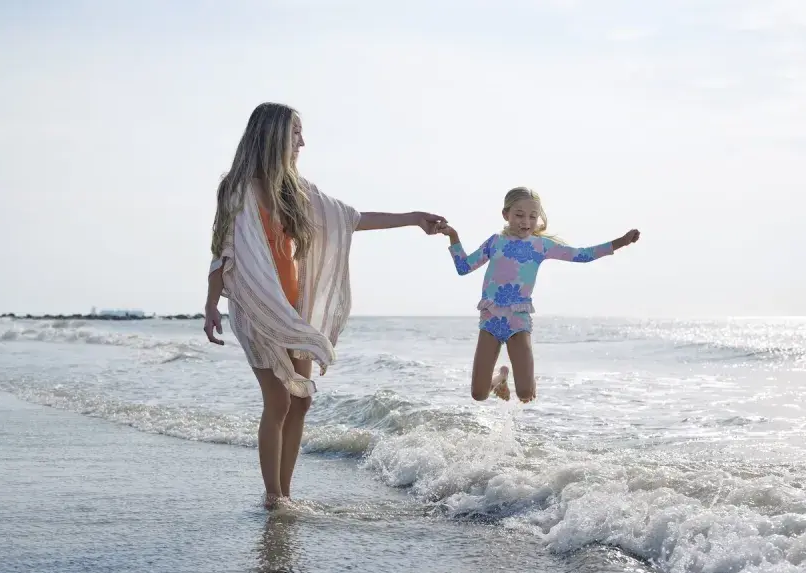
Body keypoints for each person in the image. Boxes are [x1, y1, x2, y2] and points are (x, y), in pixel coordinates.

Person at [203, 102, 447, 509]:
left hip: (294, 307)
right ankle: (272, 496)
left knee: (302, 400)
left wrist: (412, 217)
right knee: (278, 400)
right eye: (295, 133)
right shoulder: (237, 188)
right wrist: (212, 304)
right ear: (274, 135)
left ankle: (285, 492)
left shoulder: (297, 191)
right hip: (255, 306)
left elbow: (349, 219)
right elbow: (222, 250)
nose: (302, 141)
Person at [440, 186, 639, 403]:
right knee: (478, 395)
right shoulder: (495, 242)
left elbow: (582, 255)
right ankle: (501, 377)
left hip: (518, 319)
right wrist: (453, 236)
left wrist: (621, 242)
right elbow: (464, 267)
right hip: (490, 318)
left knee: (526, 395)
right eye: (519, 215)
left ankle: (523, 379)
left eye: (532, 217)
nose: (525, 221)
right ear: (506, 215)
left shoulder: (540, 245)